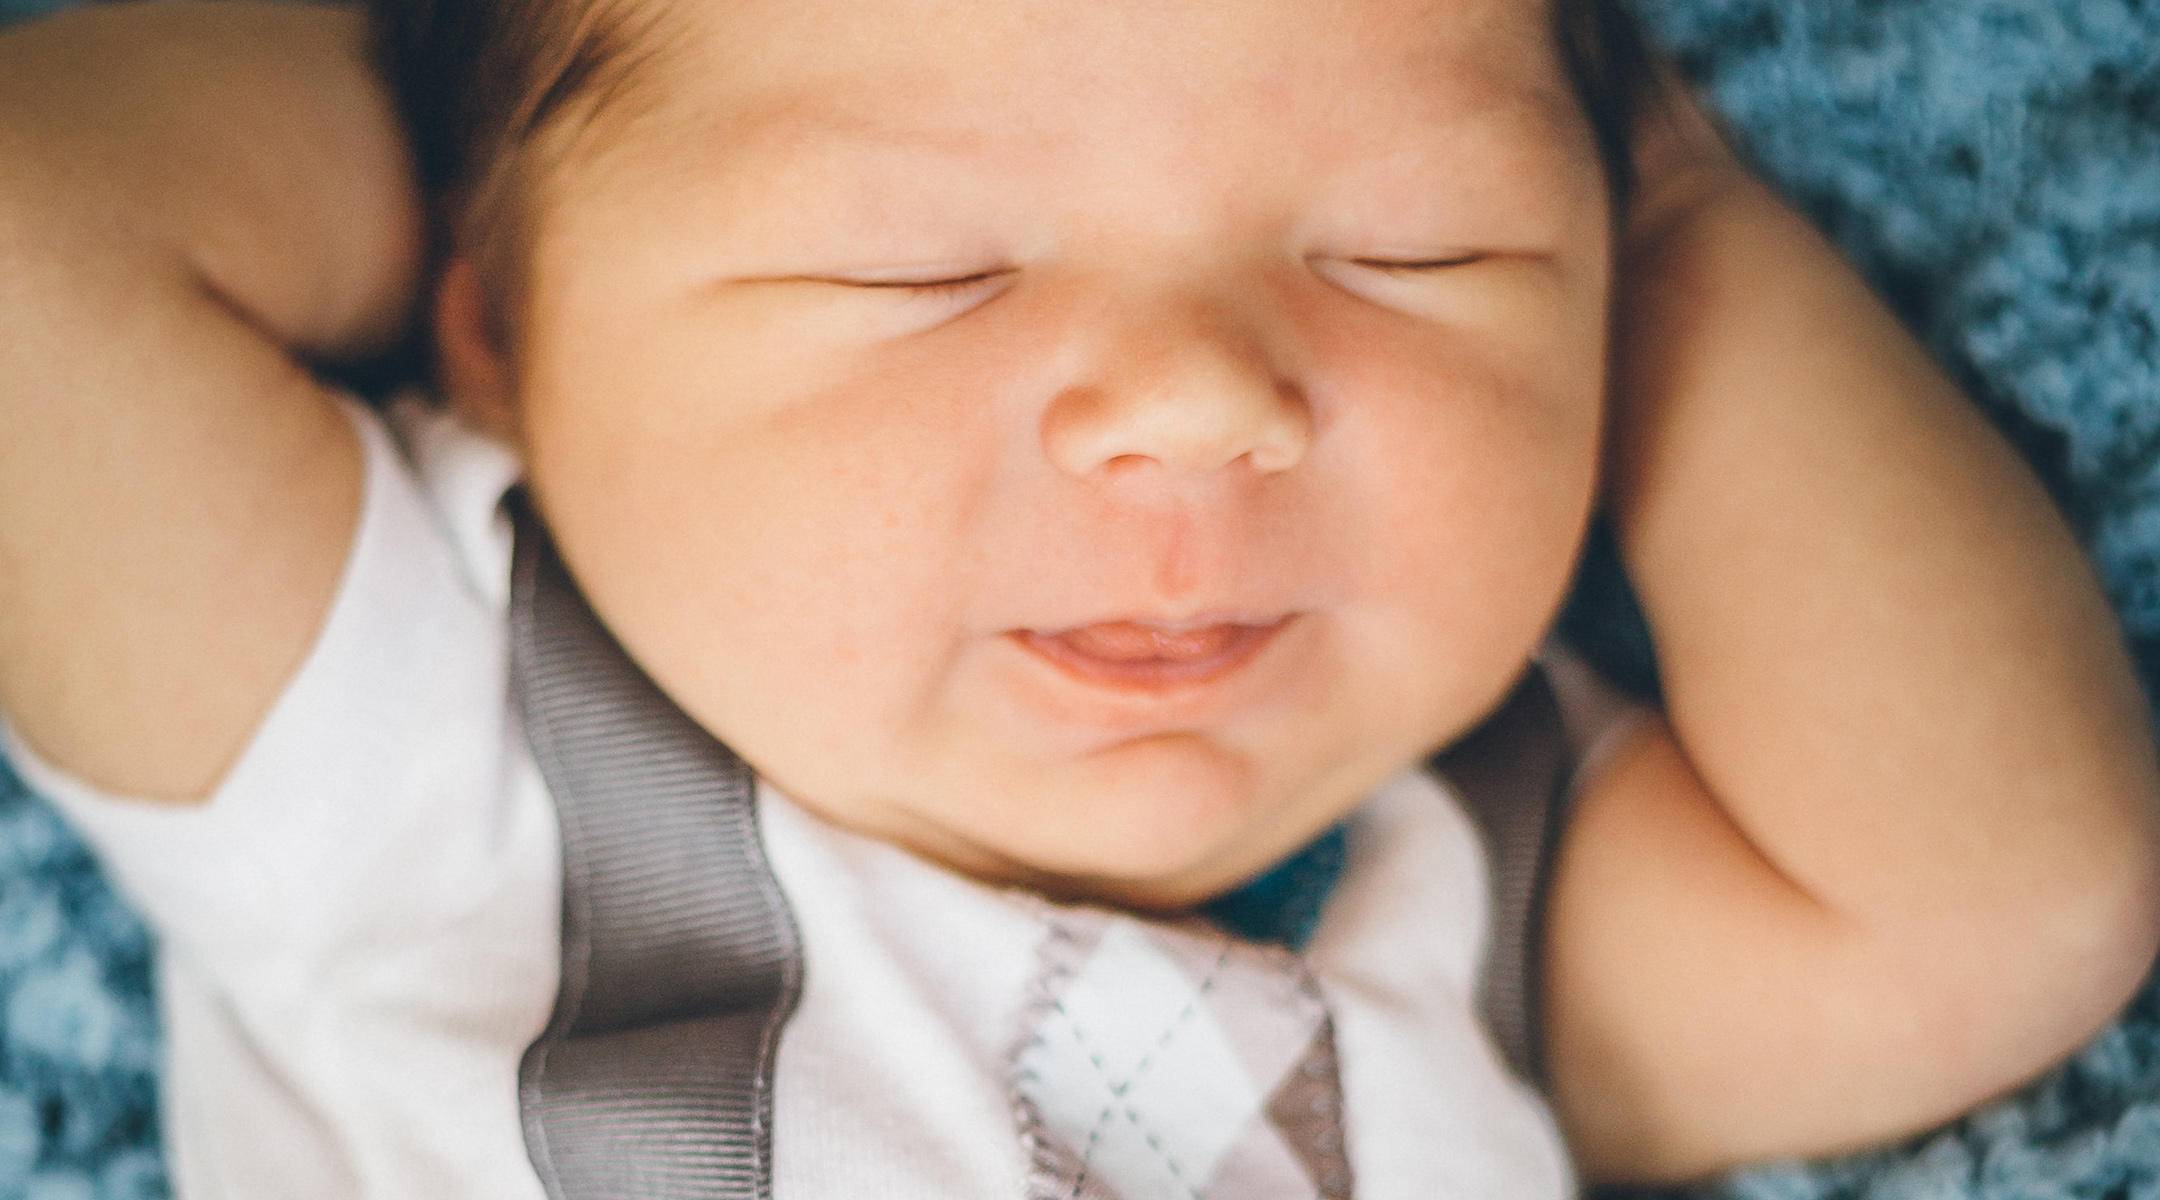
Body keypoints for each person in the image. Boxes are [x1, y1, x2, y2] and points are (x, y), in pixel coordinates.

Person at [1, 0, 2156, 1196]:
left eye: (1423, 245)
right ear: (491, 329)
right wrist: (455, 108)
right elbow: (32, 235)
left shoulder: (1460, 879)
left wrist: (1674, 205)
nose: (1200, 402)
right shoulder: (433, 753)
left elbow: (2000, 904)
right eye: (921, 268)